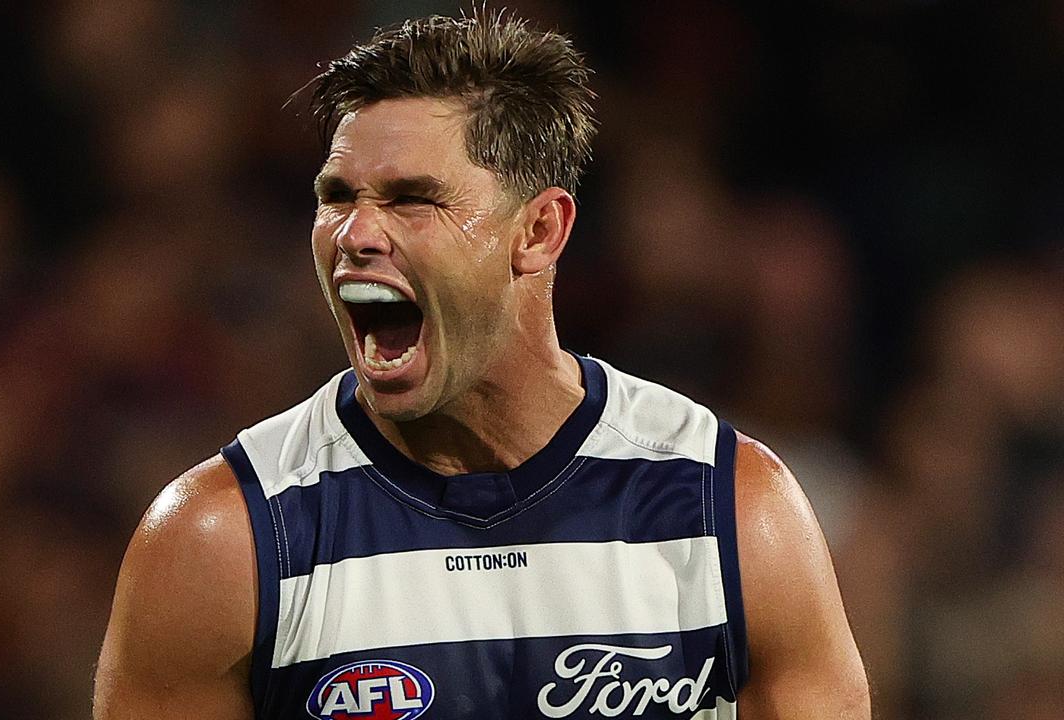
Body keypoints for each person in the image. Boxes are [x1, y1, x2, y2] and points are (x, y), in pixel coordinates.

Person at [93, 11, 870, 720]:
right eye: (338, 195)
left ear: (538, 230)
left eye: (410, 199)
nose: (355, 233)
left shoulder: (731, 513)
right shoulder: (221, 541)